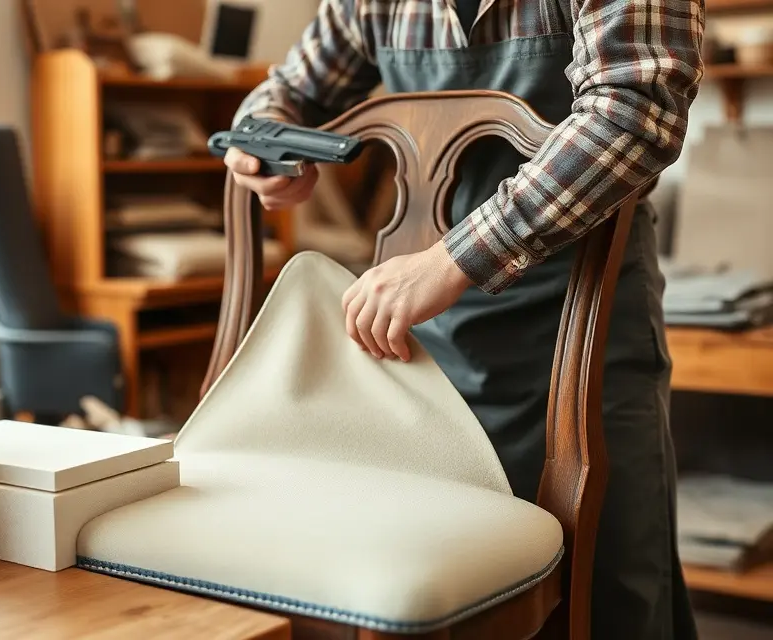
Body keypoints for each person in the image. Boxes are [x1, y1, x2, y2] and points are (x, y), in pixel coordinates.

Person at [224, 1, 704, 638]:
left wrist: (450, 260)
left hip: (585, 334)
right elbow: (285, 92)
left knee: (611, 589)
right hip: (427, 354)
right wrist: (262, 139)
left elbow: (635, 113)